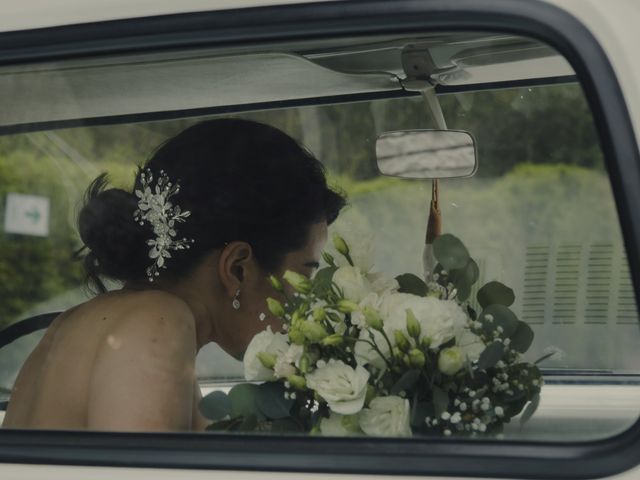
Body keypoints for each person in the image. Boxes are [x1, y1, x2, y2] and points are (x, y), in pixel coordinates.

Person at [2, 118, 345, 432]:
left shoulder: (96, 321)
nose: (308, 301)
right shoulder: (157, 323)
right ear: (237, 267)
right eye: (304, 276)